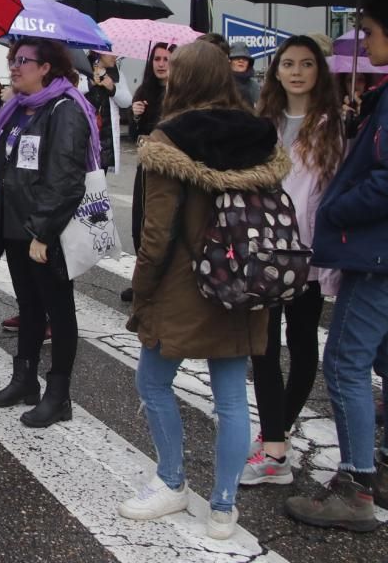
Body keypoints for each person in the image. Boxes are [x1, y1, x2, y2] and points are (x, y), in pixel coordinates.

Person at [117, 42, 279, 541]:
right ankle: (224, 507)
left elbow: (157, 231)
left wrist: (141, 289)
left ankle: (171, 480)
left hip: (183, 287)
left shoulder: (171, 137)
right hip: (242, 283)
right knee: (230, 398)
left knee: (153, 382)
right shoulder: (261, 134)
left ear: (181, 80)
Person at [286, 0, 388, 531]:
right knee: (384, 361)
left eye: (370, 30)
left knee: (345, 362)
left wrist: (334, 208)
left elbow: (384, 178)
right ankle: (381, 464)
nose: (365, 42)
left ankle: (355, 484)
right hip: (377, 253)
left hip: (376, 255)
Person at [0, 39, 97, 428]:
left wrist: (43, 232)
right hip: (15, 226)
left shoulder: (64, 109)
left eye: (22, 61)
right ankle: (24, 379)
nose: (14, 66)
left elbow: (65, 181)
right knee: (28, 306)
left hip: (46, 232)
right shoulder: (15, 109)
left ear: (46, 68)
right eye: (13, 59)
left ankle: (58, 395)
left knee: (58, 312)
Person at [242, 36, 344, 487]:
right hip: (265, 247)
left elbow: (333, 192)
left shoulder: (332, 125)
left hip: (308, 251)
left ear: (319, 71)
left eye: (306, 63)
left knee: (302, 341)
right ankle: (276, 444)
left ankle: (274, 436)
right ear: (276, 71)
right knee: (262, 345)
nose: (297, 71)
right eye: (288, 63)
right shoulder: (263, 121)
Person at [117, 42, 173, 304]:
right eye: (157, 59)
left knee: (161, 225)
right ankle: (141, 280)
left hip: (169, 169)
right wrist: (136, 116)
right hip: (145, 166)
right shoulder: (145, 91)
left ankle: (161, 283)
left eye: (166, 59)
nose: (161, 63)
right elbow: (134, 136)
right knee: (139, 222)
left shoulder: (181, 93)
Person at [82, 51, 133, 175]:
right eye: (112, 52)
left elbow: (127, 101)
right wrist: (90, 83)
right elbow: (72, 89)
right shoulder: (82, 68)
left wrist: (112, 89)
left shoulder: (117, 74)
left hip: (103, 140)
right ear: (99, 52)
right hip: (83, 135)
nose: (116, 56)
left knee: (98, 184)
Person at [229, 42, 260, 106]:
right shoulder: (221, 83)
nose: (241, 61)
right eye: (237, 58)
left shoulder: (254, 86)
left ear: (249, 63)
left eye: (245, 58)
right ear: (230, 61)